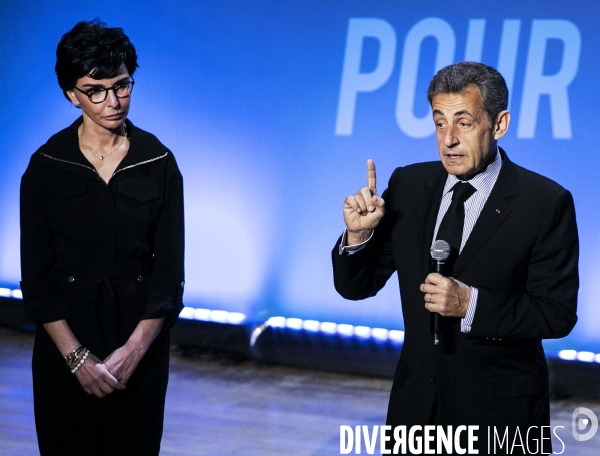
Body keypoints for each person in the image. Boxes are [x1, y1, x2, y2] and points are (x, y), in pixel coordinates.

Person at [332, 62, 578, 454]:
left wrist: (470, 305)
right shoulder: (409, 186)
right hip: (416, 414)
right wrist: (358, 236)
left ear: (498, 125)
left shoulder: (544, 203)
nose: (448, 139)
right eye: (439, 122)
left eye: (463, 123)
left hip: (500, 419)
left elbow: (556, 313)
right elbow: (355, 286)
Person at [20, 20, 184, 455]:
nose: (113, 101)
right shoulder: (47, 166)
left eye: (122, 85)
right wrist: (76, 359)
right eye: (96, 90)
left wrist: (134, 351)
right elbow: (37, 278)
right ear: (71, 94)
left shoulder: (159, 162)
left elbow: (168, 275)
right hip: (66, 340)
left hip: (140, 341)